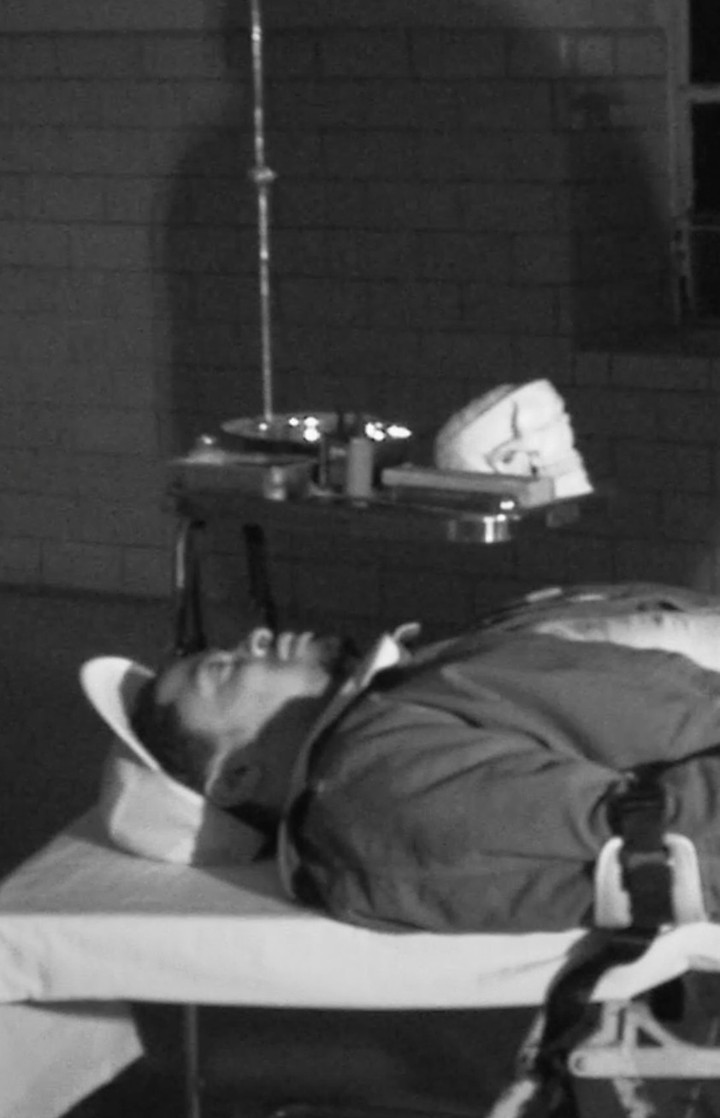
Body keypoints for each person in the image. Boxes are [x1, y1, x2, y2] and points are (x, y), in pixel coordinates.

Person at [130, 582, 720, 934]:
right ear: (237, 777)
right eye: (222, 670)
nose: (256, 638)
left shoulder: (399, 696)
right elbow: (679, 842)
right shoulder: (373, 791)